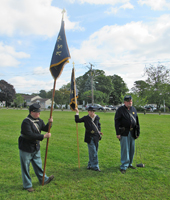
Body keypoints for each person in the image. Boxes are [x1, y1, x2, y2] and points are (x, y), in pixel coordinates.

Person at [18, 103, 54, 192]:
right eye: (37, 112)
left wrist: (50, 123)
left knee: (38, 165)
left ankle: (44, 179)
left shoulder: (39, 120)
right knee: (25, 167)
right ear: (31, 112)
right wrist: (43, 136)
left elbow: (45, 128)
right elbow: (30, 135)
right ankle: (27, 185)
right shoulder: (26, 122)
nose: (39, 114)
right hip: (26, 147)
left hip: (35, 147)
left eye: (39, 112)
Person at [114, 95, 140, 174]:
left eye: (131, 101)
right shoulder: (120, 110)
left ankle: (129, 164)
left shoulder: (133, 109)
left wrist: (137, 132)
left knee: (132, 149)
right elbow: (117, 122)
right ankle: (124, 166)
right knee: (125, 149)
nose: (130, 102)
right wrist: (118, 133)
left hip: (132, 132)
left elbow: (137, 121)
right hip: (124, 132)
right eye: (128, 101)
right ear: (125, 102)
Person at [74, 106, 103, 172]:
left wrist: (99, 132)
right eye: (90, 111)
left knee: (94, 151)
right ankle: (95, 166)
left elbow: (98, 125)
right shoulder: (86, 118)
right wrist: (77, 113)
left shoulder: (97, 117)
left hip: (96, 136)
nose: (92, 113)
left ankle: (90, 165)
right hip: (89, 136)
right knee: (93, 152)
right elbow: (77, 120)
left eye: (93, 111)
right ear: (88, 111)